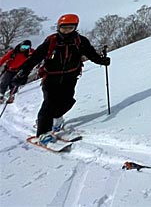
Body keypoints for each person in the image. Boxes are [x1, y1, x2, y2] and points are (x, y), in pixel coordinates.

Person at [13, 14, 110, 145]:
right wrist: (24, 71)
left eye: (70, 28)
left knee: (67, 101)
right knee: (49, 103)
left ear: (75, 28)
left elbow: (91, 54)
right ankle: (42, 133)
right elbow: (35, 57)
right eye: (64, 28)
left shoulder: (80, 41)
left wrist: (101, 61)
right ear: (59, 27)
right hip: (51, 77)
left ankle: (56, 120)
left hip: (70, 76)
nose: (67, 31)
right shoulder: (52, 41)